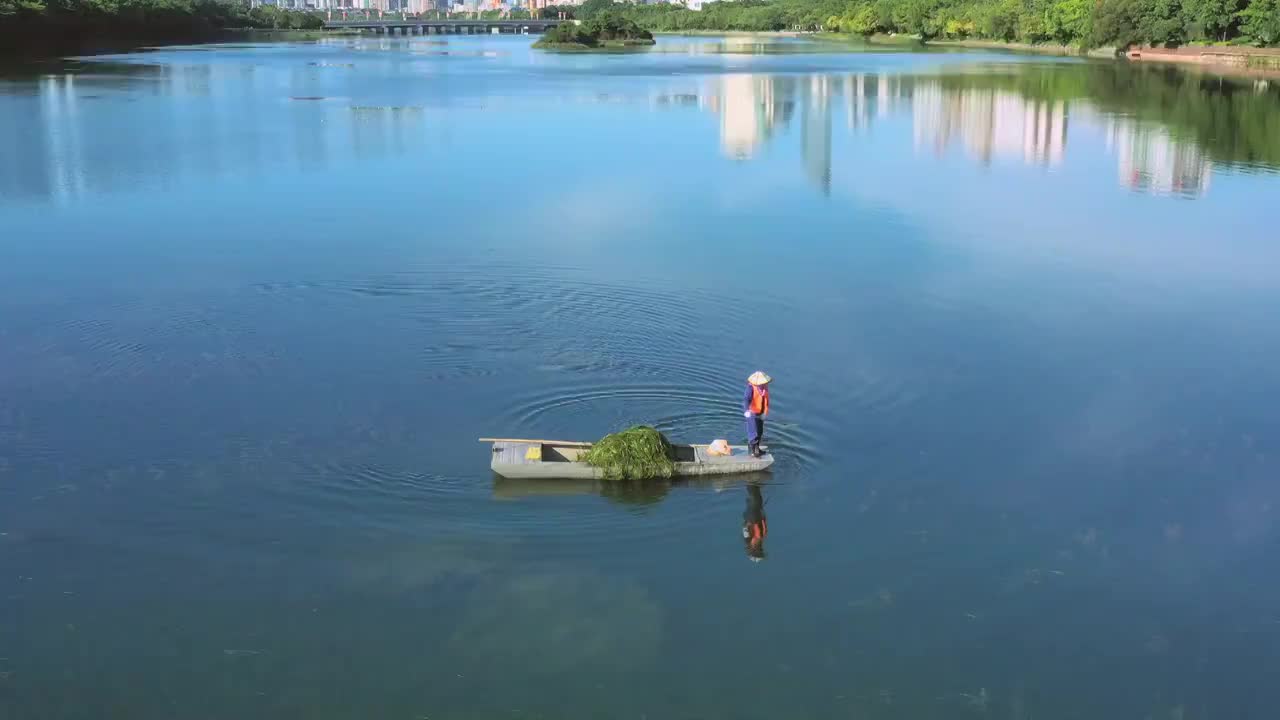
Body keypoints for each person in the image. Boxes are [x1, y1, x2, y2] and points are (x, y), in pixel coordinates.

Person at [742, 370, 771, 458]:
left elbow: (766, 401)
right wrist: (746, 411)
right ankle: (752, 451)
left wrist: (764, 413)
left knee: (759, 431)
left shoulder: (764, 388)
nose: (764, 383)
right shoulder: (750, 388)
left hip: (760, 413)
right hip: (752, 414)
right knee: (753, 432)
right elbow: (746, 399)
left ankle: (757, 449)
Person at [742, 483, 768, 562]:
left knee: (754, 498)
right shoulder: (760, 538)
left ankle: (750, 481)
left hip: (751, 517)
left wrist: (749, 522)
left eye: (759, 551)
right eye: (761, 551)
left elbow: (745, 527)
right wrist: (762, 513)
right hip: (756, 515)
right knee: (758, 498)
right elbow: (763, 523)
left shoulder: (748, 540)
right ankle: (754, 482)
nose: (761, 549)